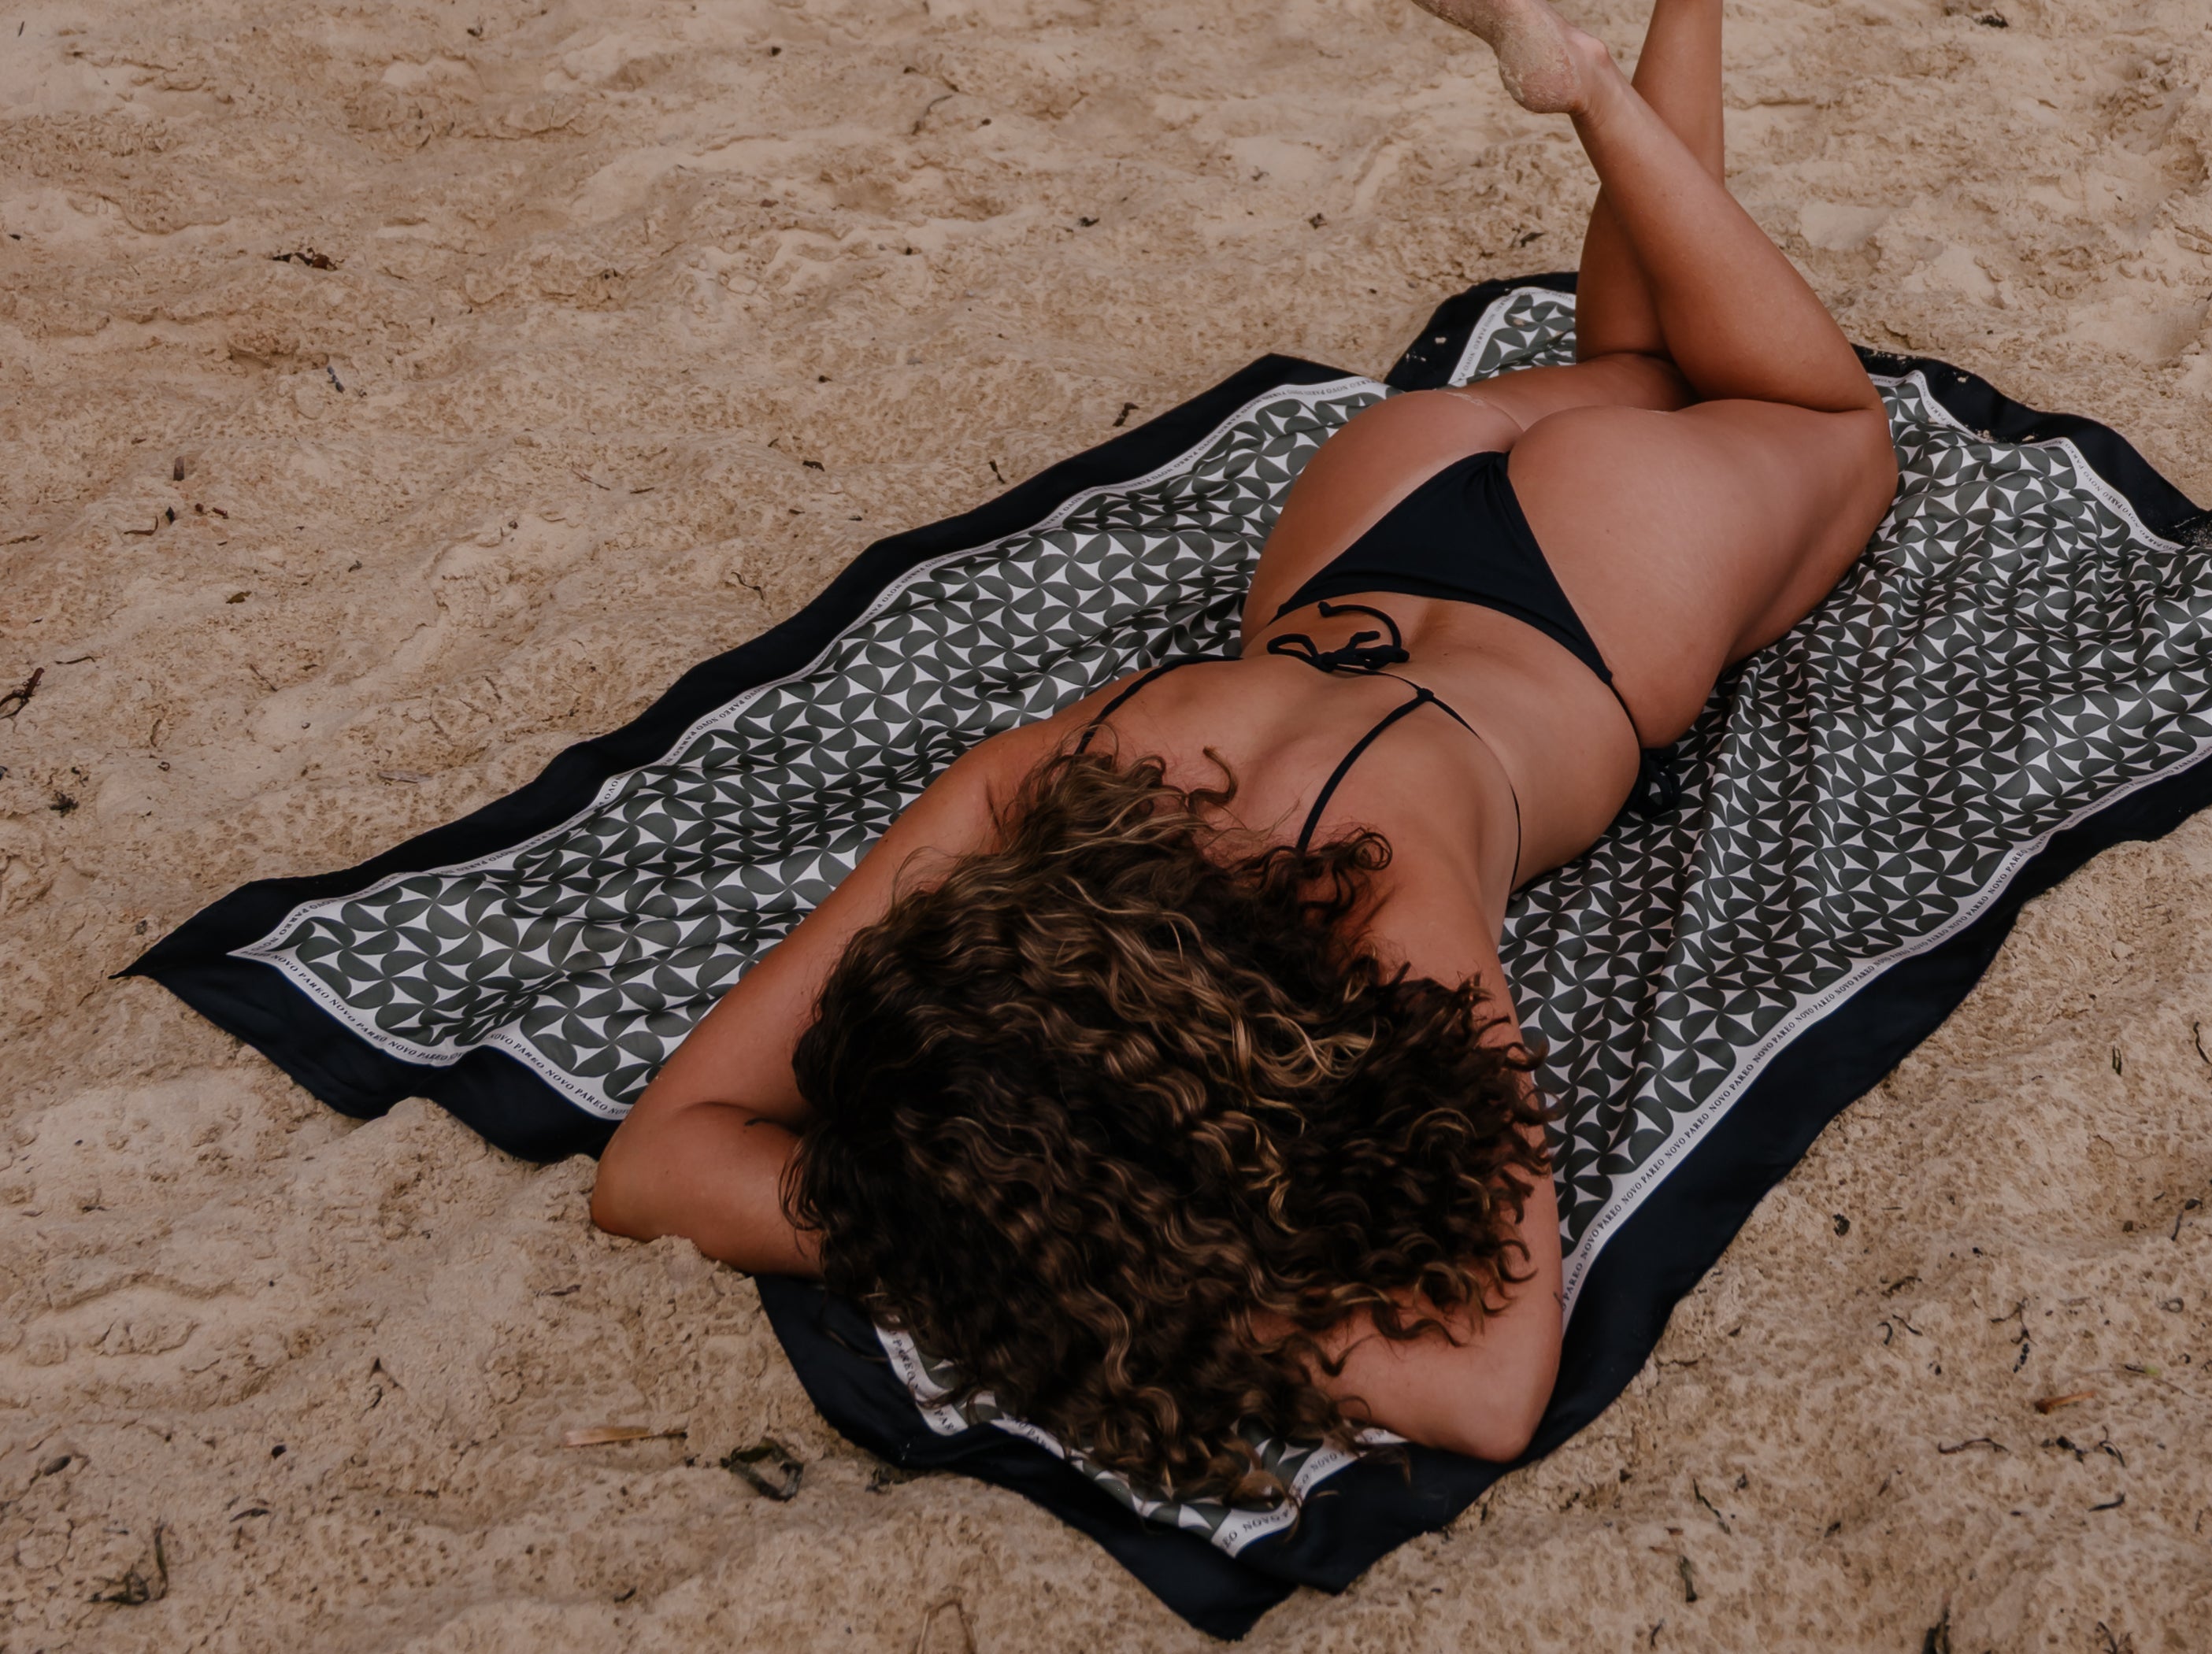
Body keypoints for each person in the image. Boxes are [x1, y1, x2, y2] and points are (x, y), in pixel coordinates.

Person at [589, 0, 1899, 1504]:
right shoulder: (1041, 779)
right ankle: (1626, 54)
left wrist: (1047, 1262)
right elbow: (658, 1165)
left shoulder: (1389, 894)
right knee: (1658, 360)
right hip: (1379, 507)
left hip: (1586, 605)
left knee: (1824, 418)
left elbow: (1484, 1382)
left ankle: (1600, 83)